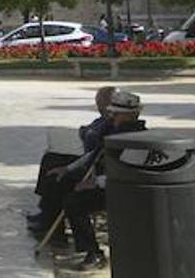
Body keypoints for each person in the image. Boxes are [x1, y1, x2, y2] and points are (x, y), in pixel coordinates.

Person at [57, 90, 147, 271]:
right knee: (64, 184)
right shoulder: (113, 130)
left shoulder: (134, 138)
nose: (112, 117)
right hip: (110, 184)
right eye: (111, 113)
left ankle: (94, 254)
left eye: (116, 114)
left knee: (75, 203)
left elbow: (127, 173)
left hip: (124, 190)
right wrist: (69, 170)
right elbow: (95, 153)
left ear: (130, 115)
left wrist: (95, 183)